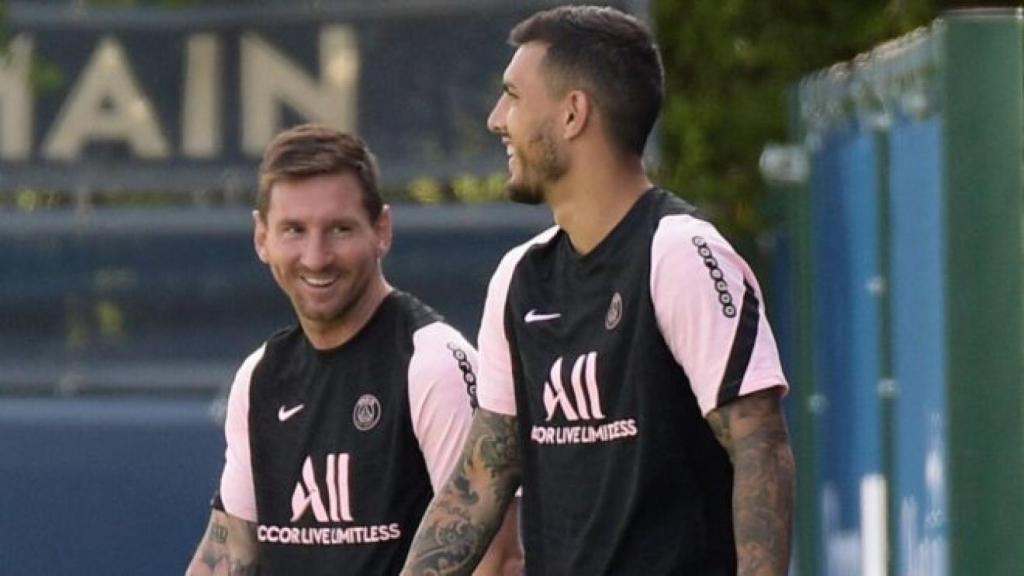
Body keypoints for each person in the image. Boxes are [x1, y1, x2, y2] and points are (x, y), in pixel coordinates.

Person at [401, 5, 795, 576]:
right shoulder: (519, 277)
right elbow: (479, 483)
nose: (496, 120)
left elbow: (761, 447)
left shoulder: (678, 252)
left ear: (573, 114)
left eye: (513, 96)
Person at [185, 124, 522, 576]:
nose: (316, 256)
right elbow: (227, 555)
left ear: (381, 230)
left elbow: (497, 559)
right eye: (294, 230)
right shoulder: (260, 377)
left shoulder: (432, 363)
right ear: (261, 238)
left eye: (340, 229)